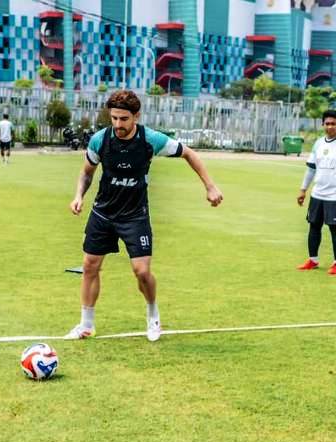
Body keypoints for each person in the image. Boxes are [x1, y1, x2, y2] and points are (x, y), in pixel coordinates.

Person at [64, 90, 223, 342]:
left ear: (136, 116)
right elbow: (87, 172)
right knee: (89, 266)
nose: (118, 124)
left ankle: (153, 316)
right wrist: (78, 196)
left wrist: (210, 186)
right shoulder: (99, 140)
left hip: (134, 215)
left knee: (141, 271)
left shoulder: (150, 140)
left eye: (123, 119)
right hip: (103, 212)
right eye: (114, 118)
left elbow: (188, 153)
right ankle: (86, 324)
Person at [296, 109, 336, 275]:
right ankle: (313, 260)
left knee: (335, 228)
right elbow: (310, 169)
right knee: (313, 226)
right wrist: (303, 190)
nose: (330, 127)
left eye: (333, 124)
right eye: (327, 123)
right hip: (318, 193)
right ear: (323, 124)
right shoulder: (318, 144)